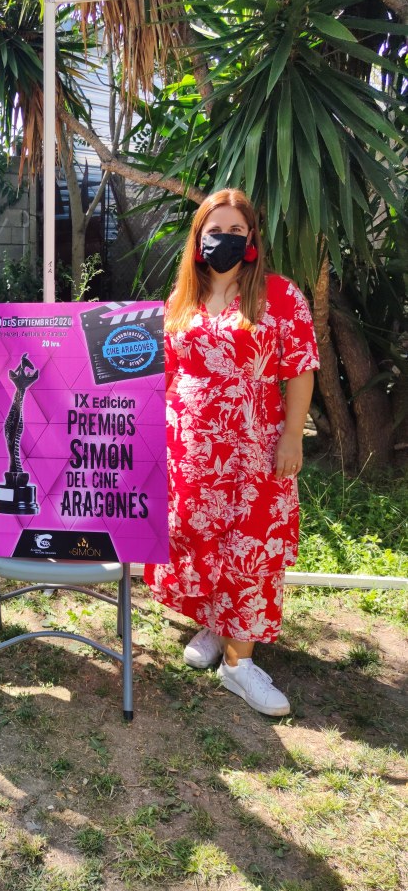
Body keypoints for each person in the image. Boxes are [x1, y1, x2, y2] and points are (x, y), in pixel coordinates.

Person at [144, 189, 319, 717]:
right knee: (198, 537)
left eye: (236, 231)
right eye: (214, 230)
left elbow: (300, 368)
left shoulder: (278, 295)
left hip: (254, 446)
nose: (225, 239)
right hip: (189, 446)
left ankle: (240, 666)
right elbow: (161, 371)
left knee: (251, 545)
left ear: (251, 239)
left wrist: (293, 435)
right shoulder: (183, 298)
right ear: (198, 239)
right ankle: (216, 626)